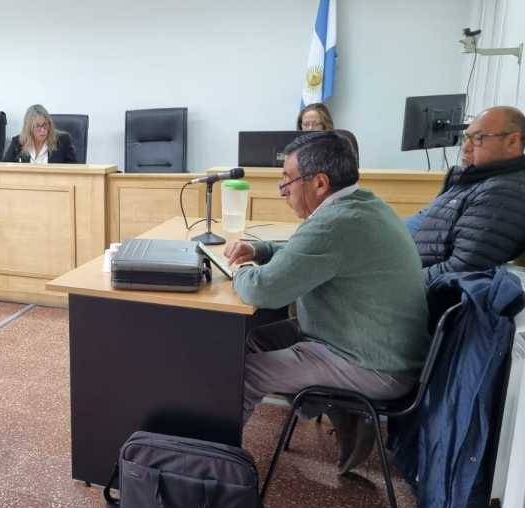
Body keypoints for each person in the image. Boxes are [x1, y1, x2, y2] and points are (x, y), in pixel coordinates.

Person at [224, 131, 429, 474]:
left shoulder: (336, 224)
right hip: (371, 346)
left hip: (373, 366)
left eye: (287, 180)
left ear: (319, 183)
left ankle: (214, 468)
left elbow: (262, 291)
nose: (283, 190)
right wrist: (261, 250)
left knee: (240, 375)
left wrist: (240, 270)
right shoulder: (363, 205)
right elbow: (308, 254)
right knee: (256, 339)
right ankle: (343, 412)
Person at [411, 106, 525, 283]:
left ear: (512, 141)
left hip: (421, 289)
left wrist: (400, 282)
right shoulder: (471, 180)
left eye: (478, 138)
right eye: (466, 137)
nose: (465, 147)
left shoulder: (504, 192)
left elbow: (463, 268)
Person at [1, 104, 77, 163]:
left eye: (45, 124)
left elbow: (74, 169)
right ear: (29, 128)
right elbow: (4, 168)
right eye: (38, 126)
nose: (43, 130)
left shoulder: (62, 141)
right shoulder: (18, 143)